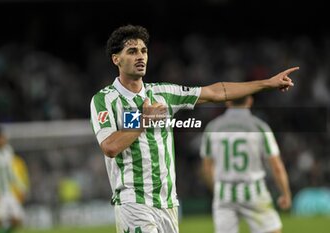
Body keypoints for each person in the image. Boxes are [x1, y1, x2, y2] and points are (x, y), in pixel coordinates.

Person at [90, 24, 298, 233]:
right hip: (134, 202)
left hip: (168, 203)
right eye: (132, 51)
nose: (140, 57)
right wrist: (143, 120)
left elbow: (216, 92)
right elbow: (109, 147)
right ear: (116, 59)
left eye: (144, 51)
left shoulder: (163, 93)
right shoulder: (104, 100)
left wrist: (267, 83)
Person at [200, 95, 291, 233]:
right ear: (250, 101)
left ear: (228, 101)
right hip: (254, 190)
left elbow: (206, 168)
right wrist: (285, 194)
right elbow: (277, 167)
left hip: (224, 192)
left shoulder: (213, 127)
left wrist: (217, 190)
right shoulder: (259, 126)